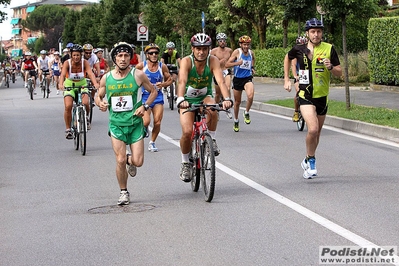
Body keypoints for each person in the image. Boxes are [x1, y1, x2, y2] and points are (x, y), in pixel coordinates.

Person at [95, 42, 157, 205]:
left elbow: (153, 91)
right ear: (114, 58)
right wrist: (99, 103)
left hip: (135, 124)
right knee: (120, 160)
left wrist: (144, 106)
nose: (123, 59)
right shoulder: (107, 78)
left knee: (138, 162)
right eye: (120, 56)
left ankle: (131, 162)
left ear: (130, 58)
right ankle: (123, 192)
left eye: (126, 56)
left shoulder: (138, 75)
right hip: (116, 125)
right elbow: (98, 95)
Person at [283, 18, 342, 179]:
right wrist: (287, 79)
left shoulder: (329, 48)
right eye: (313, 32)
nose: (316, 34)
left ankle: (307, 158)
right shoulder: (299, 49)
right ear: (307, 33)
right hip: (305, 94)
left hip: (322, 96)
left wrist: (331, 67)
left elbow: (339, 72)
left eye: (319, 31)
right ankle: (312, 161)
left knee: (317, 134)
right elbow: (287, 58)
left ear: (322, 33)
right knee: (313, 129)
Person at [176, 33, 232, 182]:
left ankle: (211, 140)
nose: (201, 52)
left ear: (209, 50)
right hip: (187, 99)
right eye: (198, 48)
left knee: (213, 108)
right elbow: (181, 81)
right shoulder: (186, 61)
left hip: (204, 96)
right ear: (193, 49)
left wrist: (227, 99)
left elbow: (221, 81)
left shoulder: (213, 61)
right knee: (187, 131)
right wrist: (181, 99)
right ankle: (185, 163)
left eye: (204, 49)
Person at [135, 43, 173, 152]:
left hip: (157, 96)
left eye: (156, 53)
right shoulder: (141, 66)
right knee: (146, 121)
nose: (154, 55)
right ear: (147, 55)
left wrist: (163, 84)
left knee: (157, 122)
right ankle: (145, 128)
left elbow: (170, 79)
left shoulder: (162, 66)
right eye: (151, 53)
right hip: (145, 97)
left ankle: (152, 142)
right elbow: (132, 76)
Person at [59, 44, 99, 139]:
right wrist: (61, 84)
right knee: (68, 106)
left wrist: (95, 83)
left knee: (86, 103)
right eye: (74, 55)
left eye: (78, 55)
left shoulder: (84, 62)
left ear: (81, 55)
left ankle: (86, 118)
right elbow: (63, 74)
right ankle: (68, 129)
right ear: (71, 55)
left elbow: (90, 73)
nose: (76, 57)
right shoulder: (67, 63)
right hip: (70, 86)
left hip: (82, 85)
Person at [226, 35, 256, 132]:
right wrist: (236, 63)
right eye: (244, 45)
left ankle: (246, 112)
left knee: (250, 96)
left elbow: (253, 60)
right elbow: (227, 64)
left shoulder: (251, 53)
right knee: (237, 102)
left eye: (247, 44)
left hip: (247, 78)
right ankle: (236, 120)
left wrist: (252, 68)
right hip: (238, 79)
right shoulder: (237, 52)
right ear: (240, 45)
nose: (246, 47)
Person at [289, 36, 308, 122]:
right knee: (298, 93)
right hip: (299, 76)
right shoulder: (295, 55)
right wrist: (295, 75)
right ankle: (296, 111)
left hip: (308, 76)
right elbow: (293, 65)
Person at [211, 33, 233, 104]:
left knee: (228, 88)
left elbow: (232, 59)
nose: (222, 42)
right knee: (218, 93)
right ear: (218, 42)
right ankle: (216, 106)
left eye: (224, 40)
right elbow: (210, 63)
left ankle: (228, 105)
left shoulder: (229, 50)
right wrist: (219, 62)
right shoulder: (214, 51)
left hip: (226, 71)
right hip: (218, 72)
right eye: (220, 41)